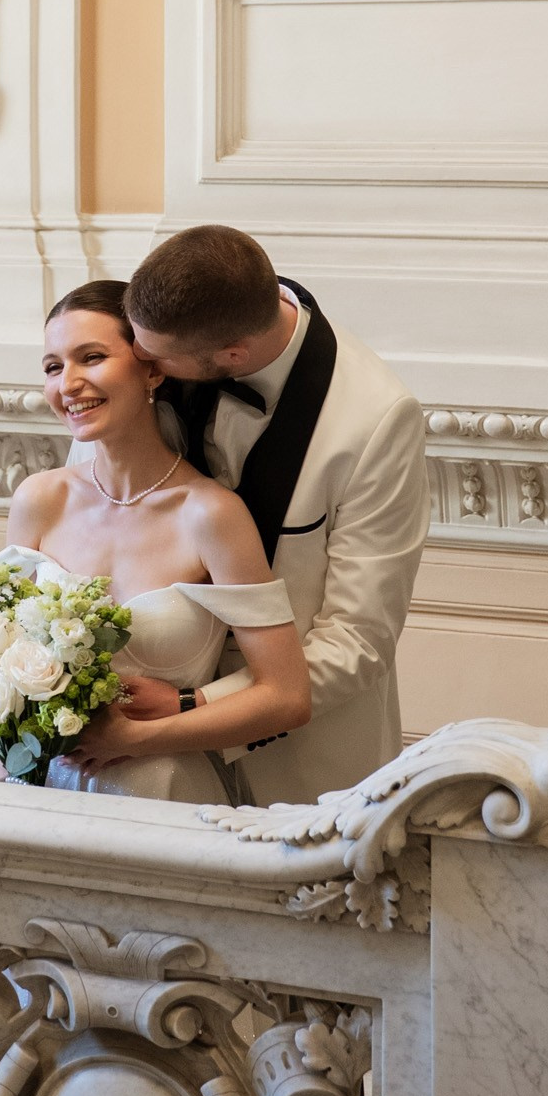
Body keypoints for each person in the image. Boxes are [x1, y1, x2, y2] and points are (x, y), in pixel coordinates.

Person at [120, 226, 427, 805]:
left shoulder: (377, 419)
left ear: (232, 356)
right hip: (145, 764)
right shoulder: (153, 345)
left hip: (301, 769)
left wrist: (193, 709)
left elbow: (358, 639)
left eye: (156, 356)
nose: (138, 363)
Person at [0, 283, 311, 803]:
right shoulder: (39, 499)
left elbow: (286, 697)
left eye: (92, 358)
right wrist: (7, 792)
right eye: (53, 367)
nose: (69, 384)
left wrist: (135, 738)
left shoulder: (210, 514)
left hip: (166, 795)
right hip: (44, 795)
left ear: (152, 369)